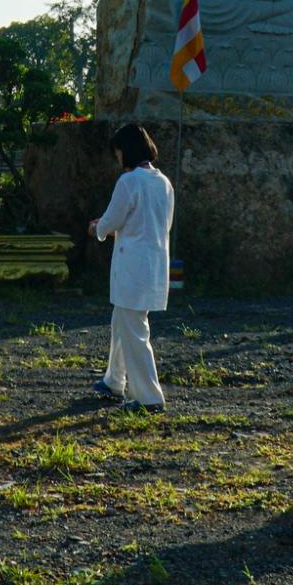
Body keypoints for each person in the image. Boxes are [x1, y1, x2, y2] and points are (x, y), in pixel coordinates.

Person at [88, 122, 176, 411]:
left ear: (125, 151)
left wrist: (97, 228)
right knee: (122, 321)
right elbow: (154, 224)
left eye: (118, 153)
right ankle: (114, 380)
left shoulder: (129, 182)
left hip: (132, 267)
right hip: (154, 265)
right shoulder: (163, 182)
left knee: (135, 330)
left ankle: (149, 397)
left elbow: (113, 220)